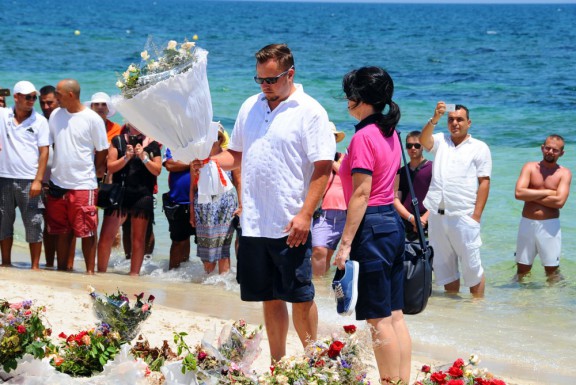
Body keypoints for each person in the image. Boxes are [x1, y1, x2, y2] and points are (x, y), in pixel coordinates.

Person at [192, 43, 334, 362]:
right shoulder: (249, 107)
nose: (265, 86)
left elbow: (323, 168)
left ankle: (313, 362)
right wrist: (211, 161)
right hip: (254, 222)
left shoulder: (311, 111)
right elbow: (237, 155)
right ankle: (277, 363)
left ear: (290, 74)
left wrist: (306, 214)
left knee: (300, 296)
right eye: (260, 80)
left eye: (271, 79)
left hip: (290, 222)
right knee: (269, 298)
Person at [334, 66, 411, 384]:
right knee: (394, 315)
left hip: (373, 228)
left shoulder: (364, 135)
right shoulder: (389, 130)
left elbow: (362, 193)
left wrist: (345, 243)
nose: (347, 101)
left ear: (359, 99)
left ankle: (389, 383)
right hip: (391, 224)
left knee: (378, 320)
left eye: (349, 95)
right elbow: (386, 186)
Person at [420, 102, 492, 297]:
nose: (455, 123)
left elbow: (484, 182)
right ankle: (453, 311)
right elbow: (423, 141)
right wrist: (434, 118)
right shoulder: (441, 140)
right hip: (437, 215)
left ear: (468, 122)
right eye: (451, 119)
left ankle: (476, 310)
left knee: (473, 269)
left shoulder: (479, 147)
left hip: (464, 215)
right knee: (445, 269)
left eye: (459, 119)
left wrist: (476, 216)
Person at [45, 79, 108, 274]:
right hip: (58, 182)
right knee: (61, 231)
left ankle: (90, 271)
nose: (55, 98)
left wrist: (96, 170)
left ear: (71, 95)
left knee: (87, 230)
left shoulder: (92, 118)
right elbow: (51, 144)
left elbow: (102, 149)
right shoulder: (56, 115)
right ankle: (63, 271)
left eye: (58, 94)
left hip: (83, 184)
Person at [97, 123, 162, 276]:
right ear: (128, 124)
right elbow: (110, 167)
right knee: (107, 236)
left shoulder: (153, 145)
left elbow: (157, 170)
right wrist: (126, 157)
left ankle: (134, 275)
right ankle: (100, 272)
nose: (137, 126)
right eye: (134, 122)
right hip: (120, 193)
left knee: (138, 239)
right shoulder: (118, 141)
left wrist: (144, 158)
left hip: (142, 194)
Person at [0, 81, 49, 269]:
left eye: (34, 97)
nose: (32, 101)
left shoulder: (40, 121)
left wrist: (38, 180)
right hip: (3, 177)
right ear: (16, 97)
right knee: (4, 221)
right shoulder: (3, 114)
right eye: (27, 97)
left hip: (29, 180)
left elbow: (44, 152)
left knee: (34, 222)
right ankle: (5, 263)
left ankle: (35, 266)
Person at [514, 134, 572, 281]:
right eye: (548, 148)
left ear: (561, 153)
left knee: (552, 270)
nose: (550, 152)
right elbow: (519, 193)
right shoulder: (530, 167)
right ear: (542, 148)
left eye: (555, 150)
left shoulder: (564, 173)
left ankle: (552, 302)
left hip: (550, 226)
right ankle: (520, 300)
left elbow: (560, 202)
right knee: (522, 269)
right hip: (527, 223)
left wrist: (531, 194)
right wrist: (547, 192)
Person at [189, 124, 240, 275]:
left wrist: (242, 205)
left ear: (219, 139)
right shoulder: (198, 159)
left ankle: (221, 286)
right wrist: (191, 212)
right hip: (204, 210)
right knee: (207, 253)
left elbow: (238, 182)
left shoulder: (230, 157)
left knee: (223, 250)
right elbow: (193, 188)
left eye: (213, 137)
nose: (209, 141)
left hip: (226, 208)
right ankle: (208, 285)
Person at [311, 122, 347, 276]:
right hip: (323, 213)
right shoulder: (314, 161)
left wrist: (330, 161)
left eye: (331, 137)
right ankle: (316, 286)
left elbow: (347, 176)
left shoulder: (343, 158)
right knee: (318, 251)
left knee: (328, 257)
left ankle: (322, 288)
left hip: (344, 214)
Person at [393, 130, 432, 241]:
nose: (413, 148)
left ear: (423, 146)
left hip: (428, 224)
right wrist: (412, 219)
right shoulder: (401, 171)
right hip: (406, 223)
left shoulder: (433, 168)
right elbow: (395, 199)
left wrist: (423, 219)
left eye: (417, 145)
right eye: (409, 145)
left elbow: (440, 198)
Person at [39, 84, 61, 267]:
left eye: (49, 103)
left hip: (63, 182)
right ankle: (48, 264)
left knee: (64, 228)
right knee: (46, 227)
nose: (46, 107)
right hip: (43, 182)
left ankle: (66, 265)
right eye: (42, 103)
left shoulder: (64, 120)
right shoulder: (38, 122)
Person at [163, 147, 196, 270]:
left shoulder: (201, 141)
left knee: (206, 245)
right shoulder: (172, 143)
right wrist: (191, 165)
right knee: (178, 241)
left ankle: (191, 279)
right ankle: (173, 275)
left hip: (201, 201)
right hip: (178, 201)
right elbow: (170, 165)